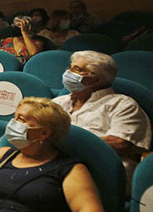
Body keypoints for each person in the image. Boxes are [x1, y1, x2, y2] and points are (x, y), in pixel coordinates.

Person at [52, 51, 151, 179]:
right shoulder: (59, 102)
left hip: (100, 169)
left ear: (96, 79)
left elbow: (120, 143)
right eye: (70, 68)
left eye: (77, 69)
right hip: (56, 165)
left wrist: (62, 141)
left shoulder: (122, 104)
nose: (68, 73)